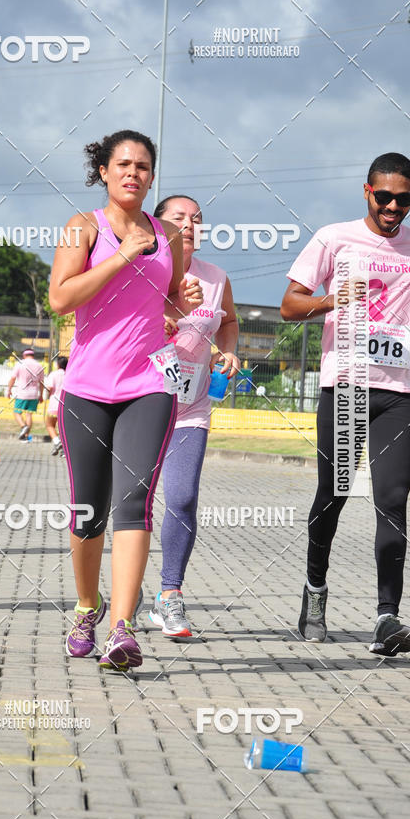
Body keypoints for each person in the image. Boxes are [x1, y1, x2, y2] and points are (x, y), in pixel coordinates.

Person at [49, 129, 202, 670]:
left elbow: (171, 302)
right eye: (124, 165)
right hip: (88, 388)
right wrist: (120, 259)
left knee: (133, 500)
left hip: (149, 384)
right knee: (88, 509)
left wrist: (184, 301)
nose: (133, 173)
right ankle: (88, 606)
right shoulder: (82, 227)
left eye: (142, 166)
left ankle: (123, 625)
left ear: (151, 175)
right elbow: (60, 298)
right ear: (105, 172)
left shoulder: (168, 235)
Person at [281, 153, 410, 656]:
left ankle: (387, 618)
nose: (394, 207)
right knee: (334, 493)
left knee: (392, 499)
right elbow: (289, 306)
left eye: (405, 199)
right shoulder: (334, 237)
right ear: (367, 191)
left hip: (400, 391)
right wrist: (334, 301)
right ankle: (315, 590)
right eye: (385, 197)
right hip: (346, 385)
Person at [146, 195, 240, 637]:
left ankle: (170, 595)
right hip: (139, 404)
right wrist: (161, 315)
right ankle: (110, 598)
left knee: (181, 498)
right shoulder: (139, 269)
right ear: (157, 224)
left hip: (190, 407)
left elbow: (229, 321)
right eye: (178, 218)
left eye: (198, 219)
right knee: (130, 505)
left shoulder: (216, 278)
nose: (189, 224)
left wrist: (231, 350)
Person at [6, 348, 45, 441]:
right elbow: (42, 382)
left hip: (22, 393)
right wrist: (41, 395)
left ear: (24, 355)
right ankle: (26, 436)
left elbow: (13, 378)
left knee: (16, 412)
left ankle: (23, 426)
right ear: (33, 355)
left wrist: (9, 389)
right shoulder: (39, 365)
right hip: (34, 394)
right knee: (29, 415)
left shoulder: (20, 363)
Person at [43, 356, 68, 455]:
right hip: (66, 405)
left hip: (54, 404)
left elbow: (49, 387)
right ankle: (64, 450)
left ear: (58, 364)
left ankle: (57, 442)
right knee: (63, 428)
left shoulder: (54, 374)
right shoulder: (69, 374)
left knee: (49, 425)